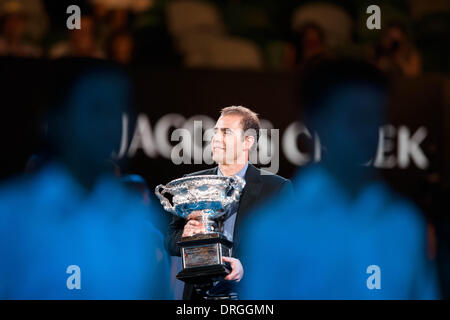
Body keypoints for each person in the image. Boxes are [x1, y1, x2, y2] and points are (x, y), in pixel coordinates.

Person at [239, 57, 440, 299]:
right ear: (314, 122)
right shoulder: (271, 230)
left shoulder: (404, 223)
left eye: (374, 118)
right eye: (354, 118)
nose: (366, 132)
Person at [0, 62, 171, 299]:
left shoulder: (142, 219)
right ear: (57, 118)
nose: (111, 124)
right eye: (97, 109)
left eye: (119, 110)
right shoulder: (10, 214)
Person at [165, 105, 293, 300]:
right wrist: (185, 235)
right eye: (215, 132)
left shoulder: (277, 189)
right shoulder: (193, 183)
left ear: (247, 141)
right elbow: (169, 240)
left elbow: (286, 246)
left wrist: (246, 267)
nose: (215, 138)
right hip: (198, 299)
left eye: (226, 132)